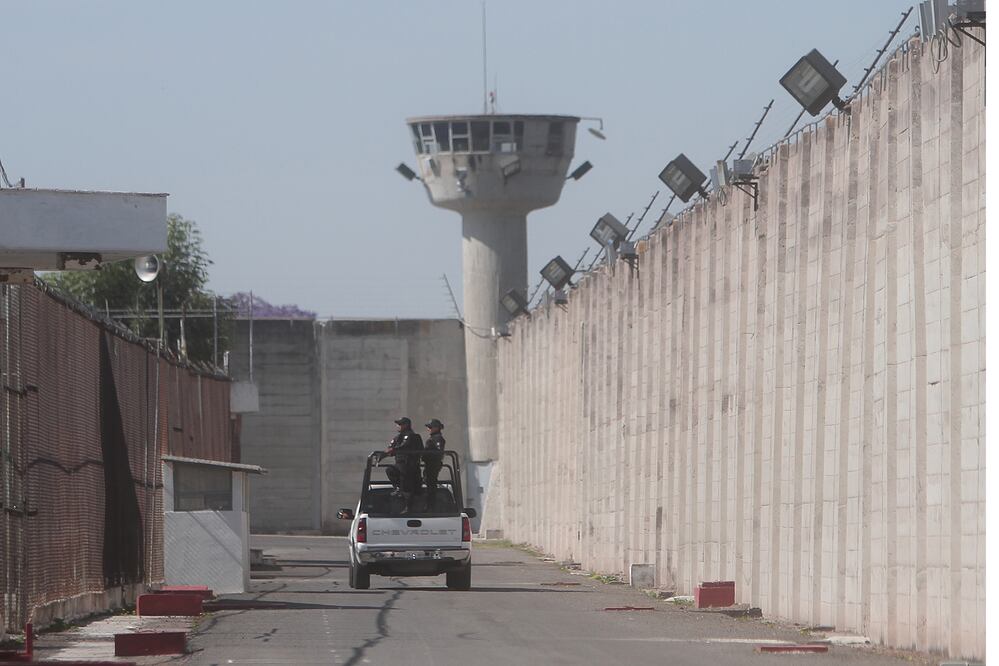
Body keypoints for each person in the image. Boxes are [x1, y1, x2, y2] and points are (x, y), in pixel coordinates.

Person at [383, 417, 423, 513]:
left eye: (400, 424)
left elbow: (406, 445)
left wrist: (394, 450)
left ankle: (408, 507)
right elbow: (390, 447)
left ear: (406, 425)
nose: (398, 426)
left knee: (407, 486)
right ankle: (398, 488)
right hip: (399, 464)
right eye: (398, 424)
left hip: (409, 465)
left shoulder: (413, 436)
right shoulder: (397, 437)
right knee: (390, 470)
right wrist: (385, 453)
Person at [422, 419, 446, 509]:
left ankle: (431, 506)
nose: (428, 429)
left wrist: (429, 455)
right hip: (429, 464)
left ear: (436, 428)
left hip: (433, 464)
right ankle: (429, 504)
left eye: (430, 427)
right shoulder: (433, 438)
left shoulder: (437, 438)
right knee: (428, 482)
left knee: (431, 485)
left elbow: (438, 451)